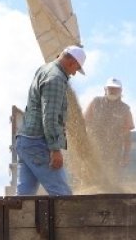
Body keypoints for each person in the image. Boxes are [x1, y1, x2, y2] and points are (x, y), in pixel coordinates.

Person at [15, 45, 86, 196]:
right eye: (76, 68)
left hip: (25, 140)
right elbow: (50, 116)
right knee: (62, 195)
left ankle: (15, 220)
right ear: (71, 62)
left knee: (24, 196)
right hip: (38, 143)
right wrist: (55, 149)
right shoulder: (56, 79)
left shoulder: (44, 69)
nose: (74, 73)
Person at [84, 77, 135, 180]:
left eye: (115, 89)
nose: (112, 91)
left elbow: (127, 135)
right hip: (95, 148)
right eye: (110, 88)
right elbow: (84, 122)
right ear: (105, 89)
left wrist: (126, 155)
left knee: (112, 178)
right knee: (92, 176)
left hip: (114, 151)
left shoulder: (125, 109)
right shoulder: (95, 102)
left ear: (121, 91)